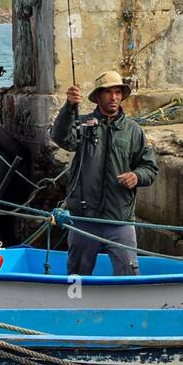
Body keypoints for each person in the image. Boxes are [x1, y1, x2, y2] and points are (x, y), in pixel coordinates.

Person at [50, 70, 158, 277]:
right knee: (77, 274)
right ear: (98, 96)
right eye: (109, 92)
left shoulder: (133, 130)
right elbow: (61, 137)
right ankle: (77, 308)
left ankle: (124, 308)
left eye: (118, 92)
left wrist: (136, 176)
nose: (114, 97)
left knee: (129, 274)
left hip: (120, 219)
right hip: (84, 219)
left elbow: (150, 167)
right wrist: (69, 107)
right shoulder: (83, 124)